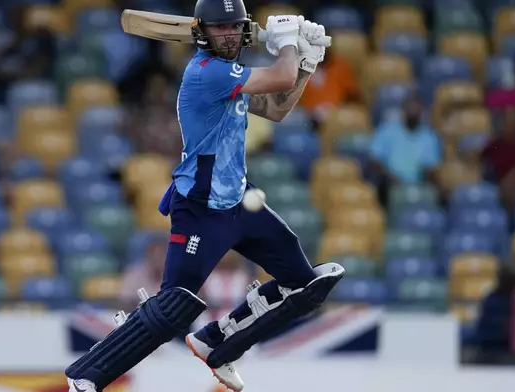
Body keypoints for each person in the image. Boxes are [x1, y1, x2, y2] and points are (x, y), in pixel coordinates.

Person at [64, 1, 344, 392]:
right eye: (220, 28)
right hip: (200, 209)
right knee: (173, 307)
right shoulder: (206, 72)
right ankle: (87, 375)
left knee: (304, 285)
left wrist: (305, 65)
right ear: (202, 33)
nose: (228, 35)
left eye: (234, 27)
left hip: (240, 202)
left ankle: (218, 344)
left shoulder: (235, 77)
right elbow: (280, 77)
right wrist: (288, 48)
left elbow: (278, 109)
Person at [369, 95, 442, 205]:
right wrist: (391, 178)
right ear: (403, 110)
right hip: (389, 183)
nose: (413, 112)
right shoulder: (386, 131)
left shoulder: (429, 136)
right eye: (409, 108)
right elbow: (375, 160)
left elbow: (430, 166)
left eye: (416, 109)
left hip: (419, 185)